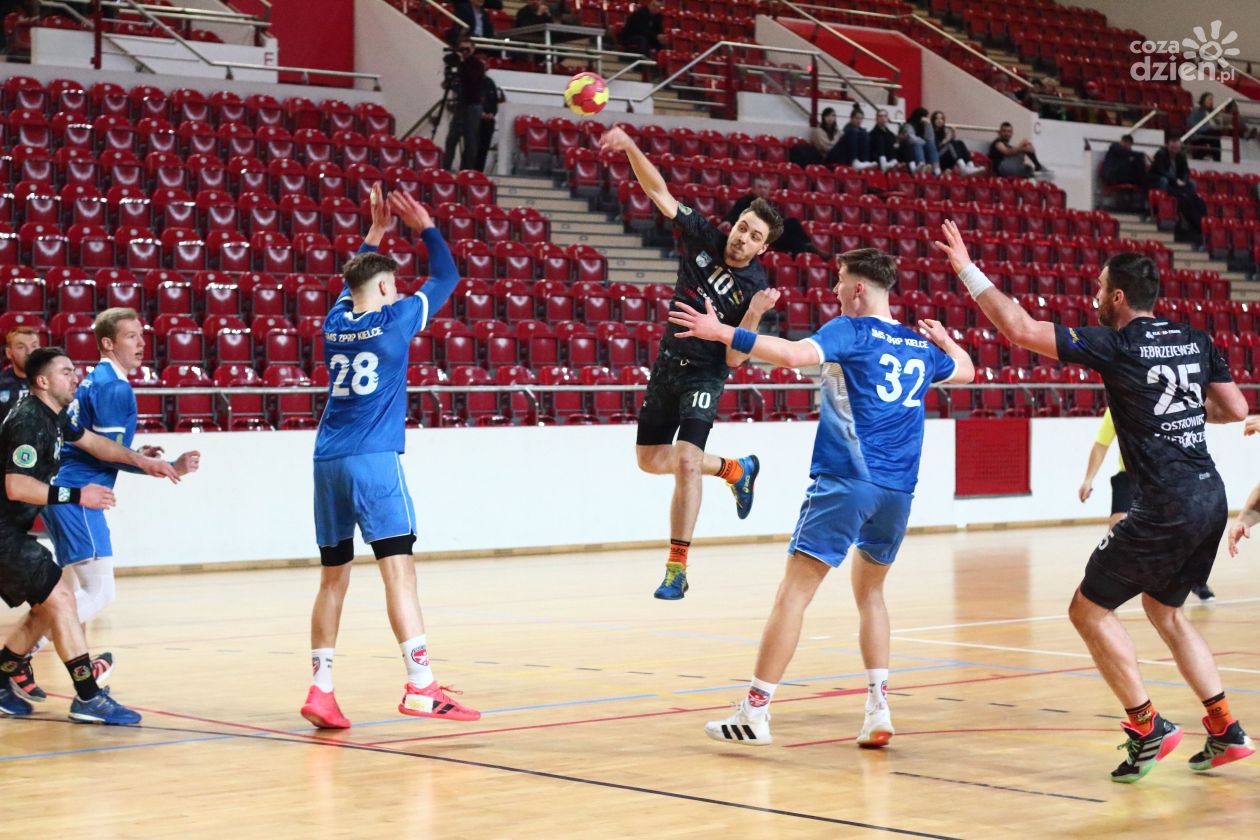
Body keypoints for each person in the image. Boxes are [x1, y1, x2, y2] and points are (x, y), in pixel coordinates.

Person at [936, 219, 1254, 782]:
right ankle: (1226, 729)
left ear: (1118, 297)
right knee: (1165, 611)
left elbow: (1020, 328)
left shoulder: (1118, 344)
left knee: (1087, 611)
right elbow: (1235, 410)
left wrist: (966, 269)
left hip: (1164, 503)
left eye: (1100, 288)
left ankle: (1147, 726)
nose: (1094, 297)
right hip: (1210, 496)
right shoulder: (1196, 339)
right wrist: (1178, 411)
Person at [668, 248, 973, 747]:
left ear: (858, 289)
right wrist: (947, 340)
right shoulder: (918, 346)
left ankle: (755, 712)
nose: (834, 290)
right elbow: (968, 371)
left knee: (793, 594)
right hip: (898, 492)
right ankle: (878, 709)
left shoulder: (850, 330)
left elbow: (792, 355)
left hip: (846, 481)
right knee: (871, 595)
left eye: (839, 281)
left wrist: (721, 331)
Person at [300, 184, 478, 730]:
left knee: (333, 578)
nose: (399, 292)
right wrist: (426, 227)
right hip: (373, 460)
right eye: (394, 285)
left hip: (326, 460)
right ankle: (421, 685)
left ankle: (321, 690)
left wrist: (375, 233)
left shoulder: (334, 322)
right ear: (383, 287)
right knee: (399, 571)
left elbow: (350, 283)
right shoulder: (397, 320)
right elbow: (447, 277)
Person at [600, 125, 781, 601]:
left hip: (704, 375)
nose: (742, 238)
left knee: (684, 461)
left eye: (754, 237)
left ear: (763, 248)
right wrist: (630, 146)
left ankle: (676, 569)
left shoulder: (753, 289)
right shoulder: (702, 235)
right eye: (742, 227)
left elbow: (736, 360)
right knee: (648, 461)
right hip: (667, 367)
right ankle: (735, 470)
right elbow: (658, 192)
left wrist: (754, 315)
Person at [5, 309, 202, 702]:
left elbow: (97, 444)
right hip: (75, 496)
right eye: (131, 336)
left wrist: (142, 458)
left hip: (63, 494)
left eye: (142, 335)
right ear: (108, 342)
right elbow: (101, 455)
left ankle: (27, 664)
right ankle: (24, 661)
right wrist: (157, 466)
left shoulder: (81, 392)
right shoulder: (112, 388)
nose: (142, 343)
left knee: (60, 594)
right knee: (96, 593)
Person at [1079, 409, 1216, 601]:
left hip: (1165, 477)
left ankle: (1193, 580)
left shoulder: (1165, 404)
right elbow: (1101, 445)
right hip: (1130, 476)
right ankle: (1103, 586)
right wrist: (1088, 479)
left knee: (1181, 533)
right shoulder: (1116, 407)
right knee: (1117, 529)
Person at [724, 176, 817, 258]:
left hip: (773, 235)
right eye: (760, 187)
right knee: (793, 223)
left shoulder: (770, 205)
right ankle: (809, 245)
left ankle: (800, 264)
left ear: (769, 191)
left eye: (765, 188)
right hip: (758, 234)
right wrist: (727, 221)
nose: (763, 190)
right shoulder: (744, 201)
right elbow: (733, 214)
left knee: (797, 241)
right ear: (753, 189)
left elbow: (781, 220)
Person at [443, 36, 487, 172]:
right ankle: (446, 168)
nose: (464, 52)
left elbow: (472, 80)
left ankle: (467, 170)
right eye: (461, 49)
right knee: (452, 138)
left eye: (467, 49)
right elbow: (451, 78)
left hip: (473, 105)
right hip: (460, 104)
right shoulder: (457, 63)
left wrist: (462, 63)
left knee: (470, 139)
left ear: (472, 49)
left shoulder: (477, 64)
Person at [0, 326, 38, 426]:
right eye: (21, 347)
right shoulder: (2, 383)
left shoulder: (52, 381)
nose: (29, 352)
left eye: (34, 346)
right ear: (9, 353)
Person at [931, 111, 984, 175]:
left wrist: (953, 133)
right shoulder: (930, 131)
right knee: (950, 143)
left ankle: (970, 166)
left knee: (959, 142)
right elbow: (935, 147)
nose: (939, 120)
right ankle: (963, 168)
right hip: (936, 156)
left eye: (941, 118)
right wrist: (946, 140)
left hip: (946, 156)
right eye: (937, 118)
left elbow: (951, 145)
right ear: (933, 120)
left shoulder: (943, 131)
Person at [826, 106, 877, 170]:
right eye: (857, 118)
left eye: (861, 119)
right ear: (851, 118)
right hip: (835, 155)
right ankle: (854, 161)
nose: (859, 121)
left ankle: (864, 162)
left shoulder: (862, 132)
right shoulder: (847, 130)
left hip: (846, 156)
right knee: (853, 132)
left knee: (864, 134)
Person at [475, 73, 505, 173]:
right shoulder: (472, 81)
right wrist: (480, 113)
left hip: (488, 120)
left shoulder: (490, 82)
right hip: (475, 119)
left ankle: (479, 171)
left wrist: (492, 113)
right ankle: (469, 170)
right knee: (473, 148)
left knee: (483, 149)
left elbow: (494, 102)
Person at [898, 107, 939, 175]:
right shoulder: (909, 125)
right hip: (910, 148)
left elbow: (930, 139)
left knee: (931, 145)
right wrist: (924, 142)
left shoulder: (924, 125)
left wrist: (928, 125)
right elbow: (911, 138)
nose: (927, 119)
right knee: (918, 144)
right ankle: (921, 165)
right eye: (926, 117)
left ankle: (936, 169)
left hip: (923, 148)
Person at [1186, 92, 1222, 162]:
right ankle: (1216, 158)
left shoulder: (1212, 112)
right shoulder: (1197, 111)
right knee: (1214, 135)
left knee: (1216, 136)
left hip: (1208, 134)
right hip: (1198, 135)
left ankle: (1216, 158)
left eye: (1212, 100)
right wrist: (1207, 128)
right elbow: (1191, 124)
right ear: (1203, 100)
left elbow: (1216, 125)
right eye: (1209, 99)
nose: (1211, 101)